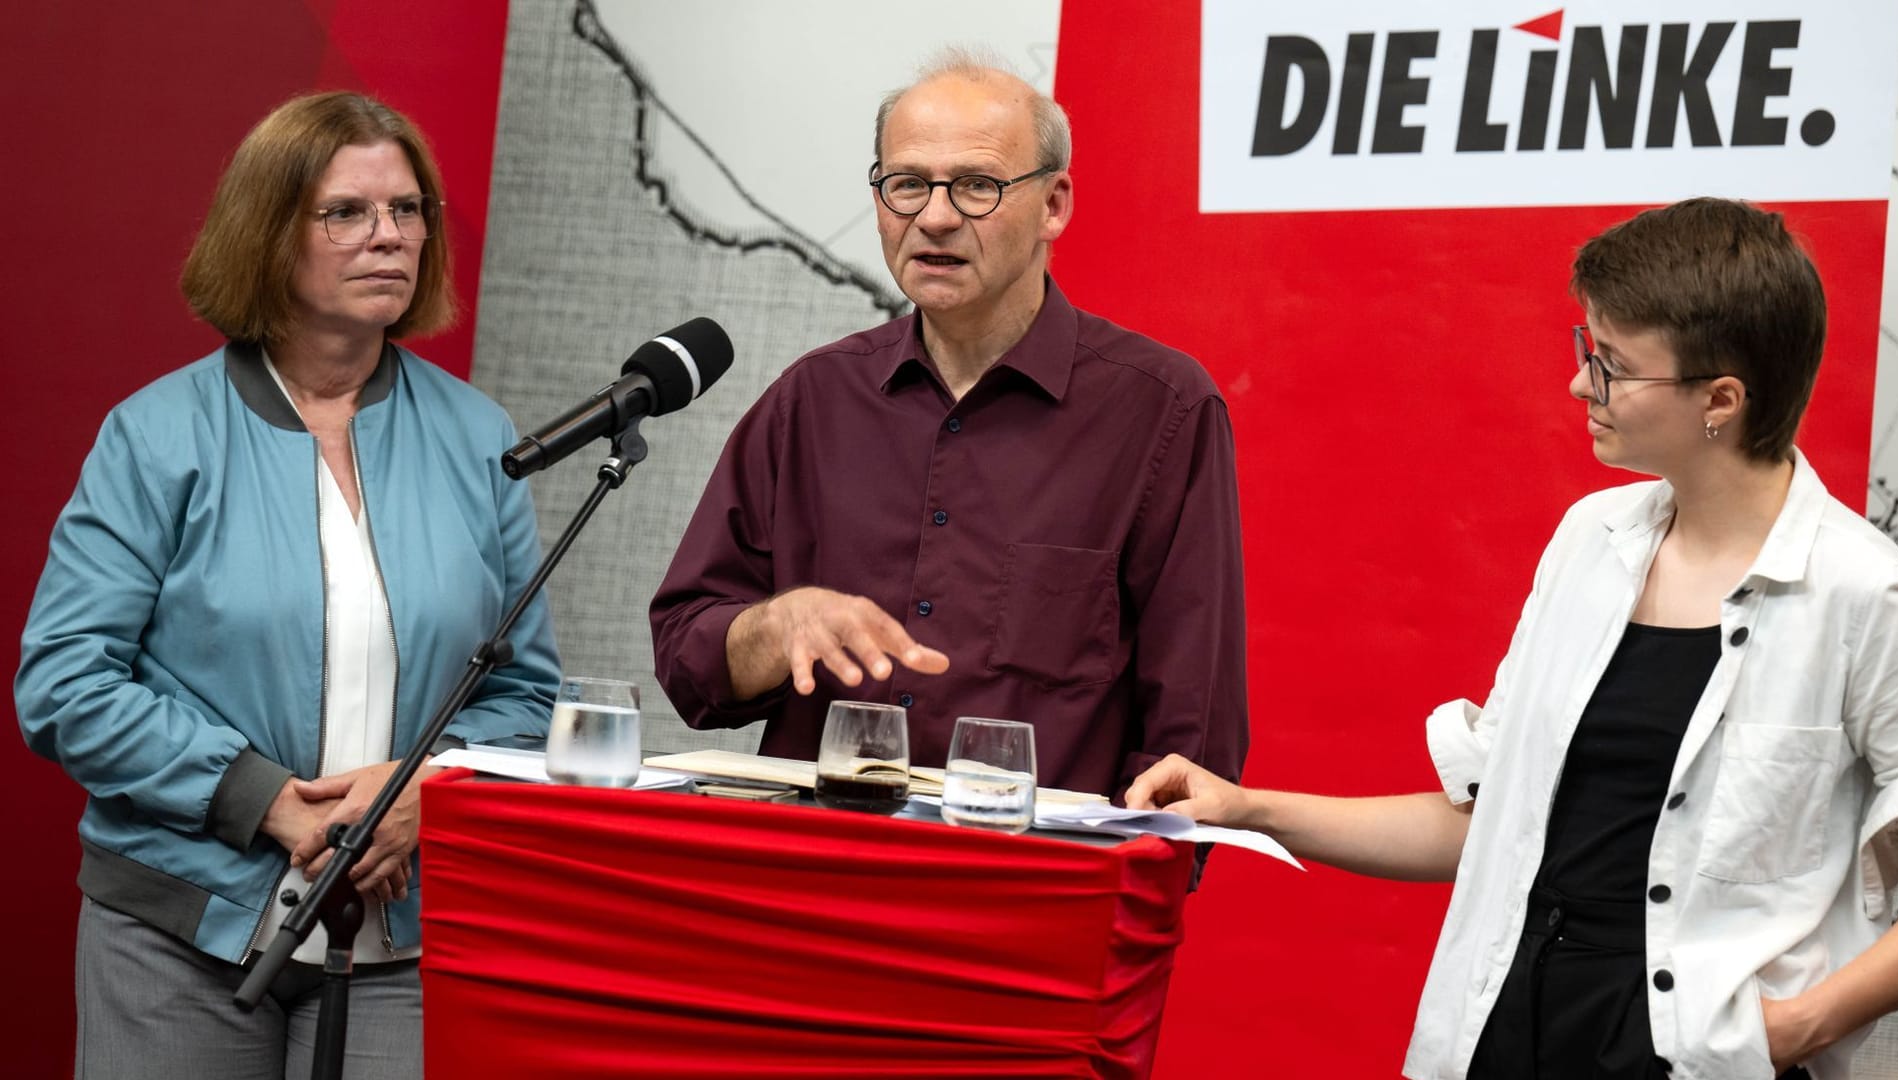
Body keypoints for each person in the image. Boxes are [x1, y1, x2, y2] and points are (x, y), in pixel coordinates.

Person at [1127, 198, 1898, 1079]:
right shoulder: (1593, 539)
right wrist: (1248, 809)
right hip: (1511, 1031)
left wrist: (1796, 1028)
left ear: (1720, 400)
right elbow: (1489, 822)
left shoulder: (1862, 592)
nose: (1583, 384)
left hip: (1702, 1056)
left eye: (1611, 364)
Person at [14, 92, 561, 1080]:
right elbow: (65, 684)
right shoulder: (158, 435)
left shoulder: (481, 438)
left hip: (399, 938)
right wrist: (268, 801)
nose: (387, 235)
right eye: (344, 212)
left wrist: (422, 796)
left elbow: (526, 696)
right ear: (269, 234)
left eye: (408, 209)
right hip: (178, 938)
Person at [649, 50, 1249, 798]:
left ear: (1054, 206)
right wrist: (776, 628)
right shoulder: (812, 400)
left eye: (976, 186)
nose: (933, 217)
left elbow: (1192, 735)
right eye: (906, 185)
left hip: (1023, 887)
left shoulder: (1160, 409)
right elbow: (686, 657)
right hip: (814, 871)